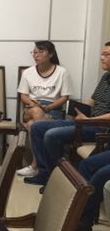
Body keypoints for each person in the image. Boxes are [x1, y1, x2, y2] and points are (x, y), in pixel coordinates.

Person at [25, 41, 110, 187]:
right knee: (37, 127)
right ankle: (45, 173)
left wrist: (88, 120)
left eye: (106, 55)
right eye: (102, 54)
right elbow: (92, 100)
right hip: (86, 120)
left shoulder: (61, 72)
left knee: (51, 135)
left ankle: (60, 180)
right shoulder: (106, 76)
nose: (102, 58)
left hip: (100, 126)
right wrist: (78, 110)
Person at [16, 40, 72, 177]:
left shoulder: (62, 72)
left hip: (54, 110)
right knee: (36, 112)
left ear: (51, 54)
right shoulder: (28, 72)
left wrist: (48, 107)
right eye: (34, 52)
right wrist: (35, 105)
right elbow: (23, 95)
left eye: (40, 52)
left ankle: (36, 166)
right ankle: (46, 166)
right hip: (31, 108)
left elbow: (65, 97)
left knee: (32, 125)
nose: (36, 55)